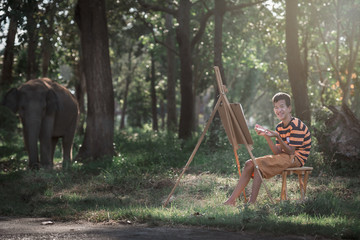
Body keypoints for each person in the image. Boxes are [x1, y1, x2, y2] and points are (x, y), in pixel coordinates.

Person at [224, 92, 311, 206]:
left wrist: (277, 136)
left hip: (296, 158)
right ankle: (231, 200)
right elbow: (277, 152)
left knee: (257, 166)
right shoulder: (279, 127)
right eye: (276, 107)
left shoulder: (296, 125)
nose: (278, 110)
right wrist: (266, 135)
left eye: (281, 106)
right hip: (285, 157)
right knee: (249, 164)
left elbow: (291, 152)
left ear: (289, 108)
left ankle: (251, 203)